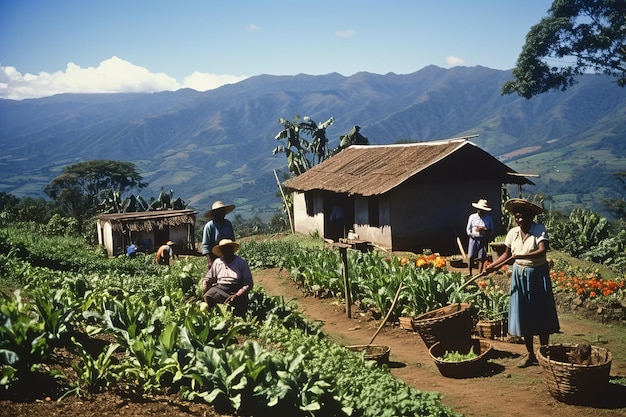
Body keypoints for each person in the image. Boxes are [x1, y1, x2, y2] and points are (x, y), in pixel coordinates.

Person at [485, 198, 560, 368]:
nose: (519, 220)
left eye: (523, 217)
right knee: (524, 313)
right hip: (519, 275)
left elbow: (542, 250)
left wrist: (521, 256)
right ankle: (530, 354)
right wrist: (493, 267)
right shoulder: (513, 233)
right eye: (517, 217)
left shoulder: (539, 230)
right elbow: (506, 254)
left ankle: (544, 352)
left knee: (540, 312)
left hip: (537, 274)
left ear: (531, 217)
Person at [201, 239, 253, 317]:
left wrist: (238, 294)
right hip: (220, 288)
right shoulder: (217, 262)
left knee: (238, 308)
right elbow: (208, 277)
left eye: (228, 249)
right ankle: (215, 316)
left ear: (232, 249)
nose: (226, 251)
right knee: (208, 296)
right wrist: (205, 283)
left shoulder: (241, 262)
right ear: (221, 251)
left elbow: (248, 283)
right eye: (223, 249)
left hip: (236, 289)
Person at [202, 201, 235, 269]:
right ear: (214, 214)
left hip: (229, 256)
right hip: (215, 257)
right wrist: (210, 261)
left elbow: (232, 240)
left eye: (222, 212)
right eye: (218, 212)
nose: (221, 214)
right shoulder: (209, 226)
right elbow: (206, 246)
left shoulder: (228, 224)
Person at [466, 198, 495, 275]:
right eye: (479, 209)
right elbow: (468, 229)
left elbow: (492, 231)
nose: (480, 211)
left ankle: (480, 272)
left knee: (481, 257)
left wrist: (485, 230)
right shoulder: (472, 217)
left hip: (483, 239)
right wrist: (471, 234)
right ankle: (470, 272)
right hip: (473, 238)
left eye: (482, 210)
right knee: (471, 256)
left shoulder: (488, 218)